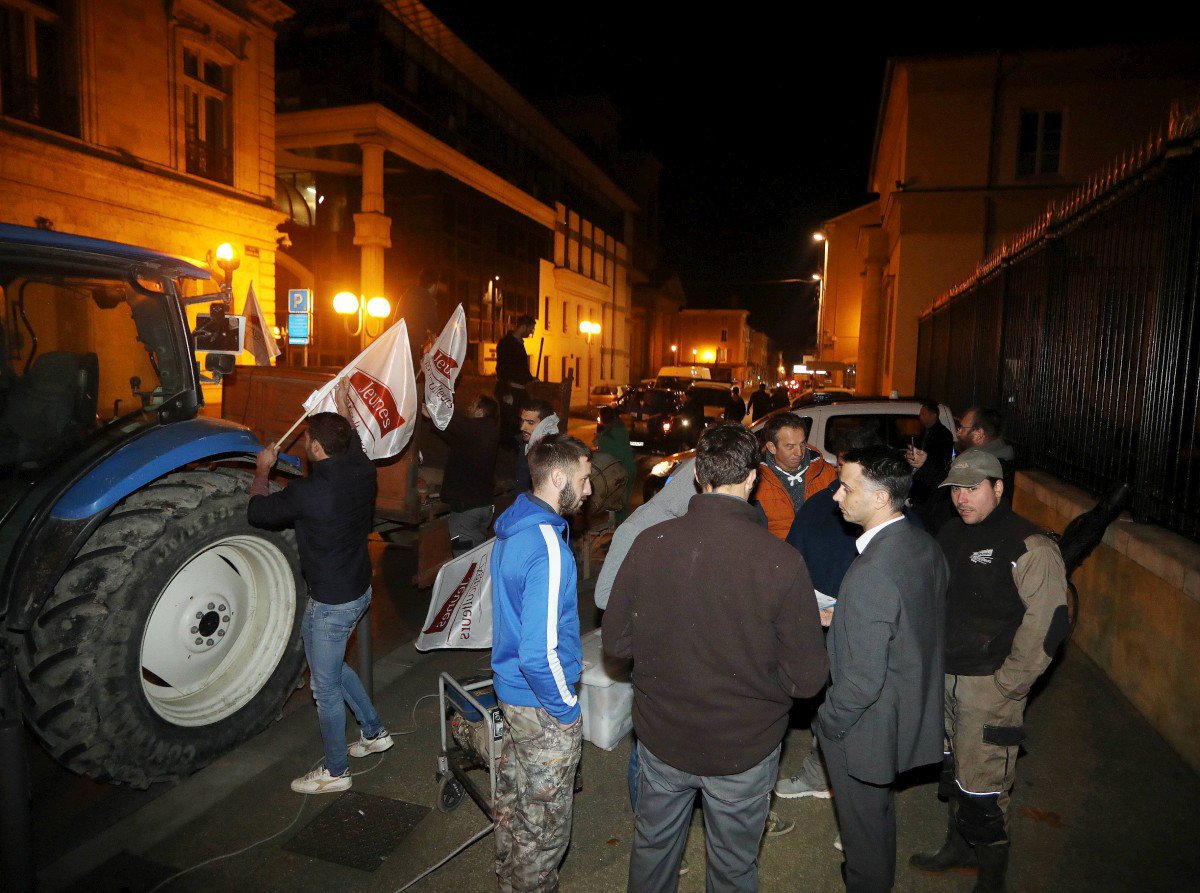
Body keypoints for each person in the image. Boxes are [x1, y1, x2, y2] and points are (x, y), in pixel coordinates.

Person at [604, 423, 829, 892]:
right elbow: (808, 680)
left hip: (663, 738)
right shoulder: (781, 561)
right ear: (753, 479)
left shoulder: (650, 544)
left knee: (653, 851)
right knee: (732, 868)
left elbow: (616, 646)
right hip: (743, 746)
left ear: (698, 476)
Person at [909, 450, 1069, 893]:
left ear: (998, 488)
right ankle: (957, 846)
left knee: (984, 786)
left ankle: (992, 877)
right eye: (956, 489)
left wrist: (1008, 686)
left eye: (973, 488)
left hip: (989, 684)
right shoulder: (949, 533)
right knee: (954, 768)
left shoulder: (1030, 545)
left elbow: (1049, 624)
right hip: (946, 676)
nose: (962, 499)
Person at [816, 445, 948, 892]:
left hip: (866, 728)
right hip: (904, 712)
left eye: (846, 486)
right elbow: (915, 618)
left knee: (863, 830)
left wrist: (828, 722)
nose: (836, 495)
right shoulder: (921, 543)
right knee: (876, 817)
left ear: (879, 498)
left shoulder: (872, 570)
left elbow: (862, 680)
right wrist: (846, 617)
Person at [248, 413, 391, 794]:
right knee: (330, 669)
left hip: (331, 602)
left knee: (323, 689)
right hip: (358, 590)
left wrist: (262, 471)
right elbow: (356, 444)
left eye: (308, 438)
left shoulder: (307, 492)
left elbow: (258, 512)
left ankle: (336, 770)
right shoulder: (363, 470)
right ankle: (374, 732)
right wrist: (346, 407)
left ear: (314, 447)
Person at [491, 434, 592, 893]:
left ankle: (509, 881)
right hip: (541, 703)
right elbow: (539, 651)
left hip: (512, 694)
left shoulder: (513, 525)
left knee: (515, 803)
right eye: (584, 479)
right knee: (545, 828)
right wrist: (567, 709)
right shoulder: (547, 545)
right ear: (557, 477)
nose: (589, 490)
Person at [434, 395, 500, 554]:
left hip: (467, 510)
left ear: (480, 411)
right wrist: (433, 419)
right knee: (476, 556)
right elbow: (452, 433)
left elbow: (455, 421)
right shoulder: (486, 431)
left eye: (473, 406)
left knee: (463, 562)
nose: (469, 409)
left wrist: (434, 408)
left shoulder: (477, 428)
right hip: (482, 506)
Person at [756, 413, 837, 539]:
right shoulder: (755, 479)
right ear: (772, 447)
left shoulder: (826, 472)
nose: (799, 452)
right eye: (790, 446)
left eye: (802, 444)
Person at [905, 400, 956, 532]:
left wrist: (925, 461)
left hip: (930, 488)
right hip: (921, 486)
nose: (920, 416)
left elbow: (941, 462)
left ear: (933, 415)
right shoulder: (925, 432)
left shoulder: (943, 434)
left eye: (923, 413)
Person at [495, 314, 538, 440]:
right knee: (509, 426)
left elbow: (521, 367)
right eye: (530, 329)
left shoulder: (519, 344)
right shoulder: (506, 343)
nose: (531, 333)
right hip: (511, 391)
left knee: (523, 420)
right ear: (523, 327)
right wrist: (505, 392)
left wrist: (531, 378)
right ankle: (507, 454)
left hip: (519, 391)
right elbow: (502, 369)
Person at [595, 405, 637, 522]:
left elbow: (604, 456)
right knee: (624, 505)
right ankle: (622, 529)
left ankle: (621, 533)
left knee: (620, 507)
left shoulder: (606, 438)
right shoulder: (620, 428)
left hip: (620, 473)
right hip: (629, 469)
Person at [515, 399, 558, 493]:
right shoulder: (524, 446)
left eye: (530, 423)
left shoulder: (550, 454)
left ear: (544, 424)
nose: (522, 427)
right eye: (522, 421)